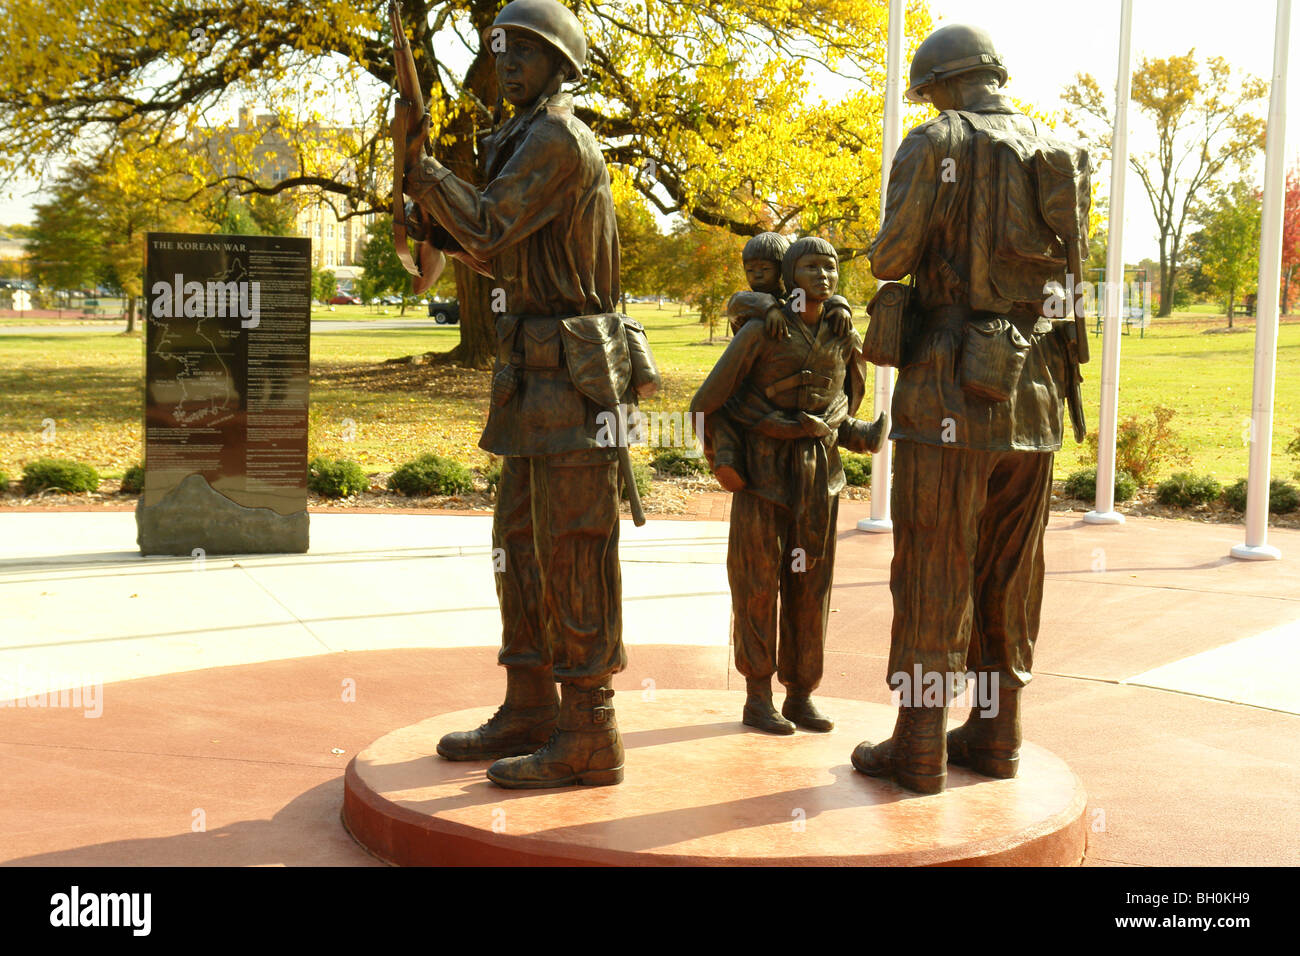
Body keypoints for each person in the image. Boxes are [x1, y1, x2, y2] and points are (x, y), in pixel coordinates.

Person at [397, 0, 657, 789]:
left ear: (559, 61)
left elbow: (489, 225)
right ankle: (529, 705)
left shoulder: (555, 137)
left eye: (523, 50)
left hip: (572, 383)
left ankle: (590, 732)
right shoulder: (515, 137)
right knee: (519, 548)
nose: (505, 62)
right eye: (497, 49)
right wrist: (432, 220)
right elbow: (497, 252)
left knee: (573, 552)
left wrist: (430, 178)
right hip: (528, 381)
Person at [851, 24, 1090, 794]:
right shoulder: (1053, 150)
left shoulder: (933, 144)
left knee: (933, 563)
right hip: (1035, 393)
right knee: (1010, 572)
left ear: (939, 85)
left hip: (950, 385)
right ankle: (995, 733)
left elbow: (893, 257)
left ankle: (920, 743)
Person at [691, 238, 887, 735]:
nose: (824, 276)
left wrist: (840, 425)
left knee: (811, 586)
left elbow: (848, 393)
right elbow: (708, 401)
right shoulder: (760, 330)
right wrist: (727, 456)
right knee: (757, 585)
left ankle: (801, 693)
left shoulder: (842, 331)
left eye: (832, 267)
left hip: (819, 479)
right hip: (763, 477)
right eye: (811, 267)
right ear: (789, 273)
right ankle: (758, 696)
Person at [706, 233, 856, 493]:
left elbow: (825, 299)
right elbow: (738, 303)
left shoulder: (796, 297)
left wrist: (841, 305)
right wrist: (769, 308)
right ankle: (727, 455)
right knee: (719, 408)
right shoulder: (749, 300)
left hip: (794, 391)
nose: (757, 276)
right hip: (746, 380)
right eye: (750, 270)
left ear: (784, 269)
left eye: (765, 269)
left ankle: (851, 428)